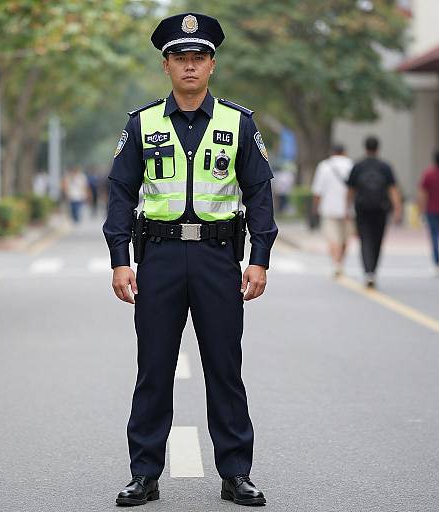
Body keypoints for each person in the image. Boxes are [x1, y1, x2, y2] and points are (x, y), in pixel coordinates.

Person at [103, 12, 277, 507]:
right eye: (181, 58)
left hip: (217, 257)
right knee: (153, 367)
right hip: (156, 258)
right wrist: (120, 259)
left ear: (212, 65)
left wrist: (259, 257)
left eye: (198, 58)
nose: (190, 66)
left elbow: (259, 191)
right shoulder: (142, 124)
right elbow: (120, 191)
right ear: (167, 66)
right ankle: (144, 474)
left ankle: (236, 473)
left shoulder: (238, 123)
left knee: (224, 366)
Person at [347, 136, 402, 288]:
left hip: (362, 208)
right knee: (377, 240)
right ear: (378, 148)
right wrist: (397, 209)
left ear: (365, 148)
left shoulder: (358, 166)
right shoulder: (385, 166)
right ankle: (373, 270)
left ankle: (368, 271)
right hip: (381, 208)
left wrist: (347, 207)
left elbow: (351, 189)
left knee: (365, 239)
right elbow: (392, 189)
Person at [311, 144, 354, 277]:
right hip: (349, 209)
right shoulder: (351, 165)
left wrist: (315, 208)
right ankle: (341, 261)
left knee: (333, 238)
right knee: (345, 238)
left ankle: (336, 264)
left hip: (329, 208)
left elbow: (318, 190)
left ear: (332, 152)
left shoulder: (324, 166)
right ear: (345, 152)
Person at [418, 149, 439, 276]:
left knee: (434, 237)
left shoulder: (429, 174)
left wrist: (421, 210)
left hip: (432, 210)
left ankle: (437, 264)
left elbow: (423, 194)